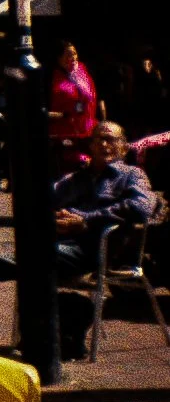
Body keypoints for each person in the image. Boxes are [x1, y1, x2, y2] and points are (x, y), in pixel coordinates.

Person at [48, 122, 155, 360]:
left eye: (111, 139)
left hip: (98, 251)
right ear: (90, 145)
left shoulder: (131, 175)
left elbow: (141, 207)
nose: (104, 145)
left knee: (34, 257)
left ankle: (70, 322)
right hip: (62, 247)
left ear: (124, 148)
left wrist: (84, 220)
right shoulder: (76, 178)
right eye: (98, 139)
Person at [49, 40, 100, 173]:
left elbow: (95, 98)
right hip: (64, 131)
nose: (72, 58)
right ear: (59, 58)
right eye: (68, 55)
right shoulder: (52, 77)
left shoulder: (83, 71)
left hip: (87, 129)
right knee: (72, 165)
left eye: (74, 54)